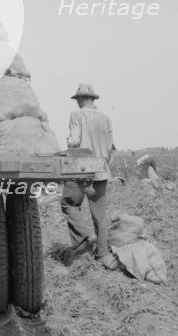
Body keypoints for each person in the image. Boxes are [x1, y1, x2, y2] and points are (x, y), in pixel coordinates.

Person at [60, 83, 119, 270]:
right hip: (100, 171)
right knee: (100, 216)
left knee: (68, 204)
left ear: (81, 99)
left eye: (78, 99)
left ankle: (85, 236)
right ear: (93, 99)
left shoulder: (77, 115)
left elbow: (75, 141)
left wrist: (68, 142)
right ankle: (104, 255)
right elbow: (111, 149)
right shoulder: (106, 118)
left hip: (81, 170)